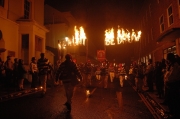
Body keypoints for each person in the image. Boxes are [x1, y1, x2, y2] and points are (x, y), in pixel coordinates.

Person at [164, 53, 180, 118]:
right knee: (169, 99)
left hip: (174, 84)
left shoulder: (175, 65)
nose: (167, 61)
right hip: (170, 84)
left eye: (168, 59)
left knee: (174, 100)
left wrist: (167, 80)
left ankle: (175, 114)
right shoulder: (171, 65)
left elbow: (172, 76)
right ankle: (171, 111)